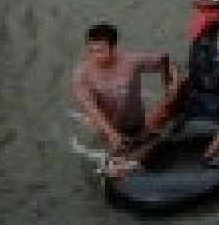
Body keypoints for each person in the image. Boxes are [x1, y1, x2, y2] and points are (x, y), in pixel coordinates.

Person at [72, 23, 179, 153]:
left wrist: (169, 91)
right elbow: (91, 108)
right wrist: (112, 135)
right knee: (116, 160)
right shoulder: (82, 75)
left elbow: (165, 61)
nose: (96, 56)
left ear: (114, 48)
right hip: (108, 128)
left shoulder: (131, 62)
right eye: (92, 51)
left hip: (137, 122)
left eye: (101, 51)